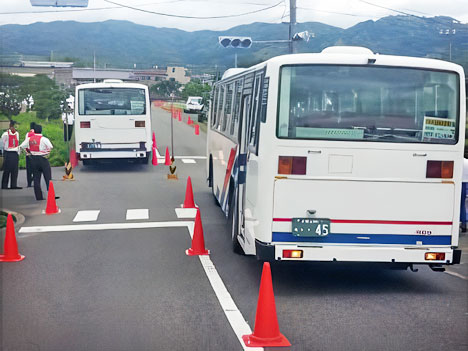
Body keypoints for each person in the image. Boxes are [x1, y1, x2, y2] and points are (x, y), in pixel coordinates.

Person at [20, 124, 53, 200]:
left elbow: (22, 146)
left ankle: (38, 196)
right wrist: (46, 152)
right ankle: (50, 194)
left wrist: (28, 152)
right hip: (43, 158)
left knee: (36, 178)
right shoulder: (44, 139)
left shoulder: (29, 139)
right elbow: (51, 147)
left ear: (34, 131)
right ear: (41, 130)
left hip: (33, 159)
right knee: (48, 177)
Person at [1, 120, 22, 189]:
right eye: (15, 126)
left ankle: (14, 185)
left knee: (15, 170)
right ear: (11, 126)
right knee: (7, 170)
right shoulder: (5, 134)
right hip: (8, 153)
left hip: (15, 153)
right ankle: (4, 185)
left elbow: (17, 143)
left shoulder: (17, 134)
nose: (16, 128)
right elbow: (2, 143)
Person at [24, 122, 36, 187]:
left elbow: (26, 143)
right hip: (36, 154)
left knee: (29, 169)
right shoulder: (37, 134)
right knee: (36, 168)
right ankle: (35, 179)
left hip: (28, 153)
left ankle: (29, 183)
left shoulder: (27, 134)